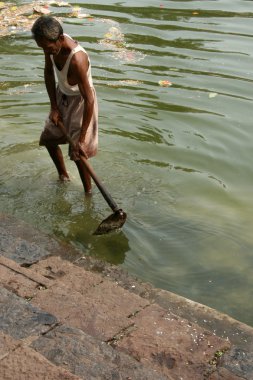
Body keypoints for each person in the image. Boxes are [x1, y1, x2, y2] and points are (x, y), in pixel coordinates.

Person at [31, 15, 98, 194]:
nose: (46, 51)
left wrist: (82, 140)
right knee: (49, 139)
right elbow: (48, 73)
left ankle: (88, 193)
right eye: (42, 47)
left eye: (48, 47)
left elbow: (89, 98)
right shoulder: (49, 45)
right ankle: (63, 177)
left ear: (60, 39)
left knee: (78, 154)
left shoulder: (78, 59)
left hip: (82, 102)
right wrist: (54, 107)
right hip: (62, 95)